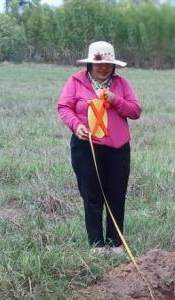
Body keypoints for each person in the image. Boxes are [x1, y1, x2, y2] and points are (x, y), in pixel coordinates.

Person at [56, 41, 141, 249]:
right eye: (98, 63)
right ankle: (96, 245)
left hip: (118, 149)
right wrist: (76, 126)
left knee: (116, 195)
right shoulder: (75, 81)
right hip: (86, 148)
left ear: (113, 66)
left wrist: (115, 100)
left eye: (107, 64)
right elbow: (64, 107)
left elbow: (135, 111)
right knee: (91, 195)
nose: (103, 67)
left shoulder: (122, 84)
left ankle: (115, 244)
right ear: (89, 65)